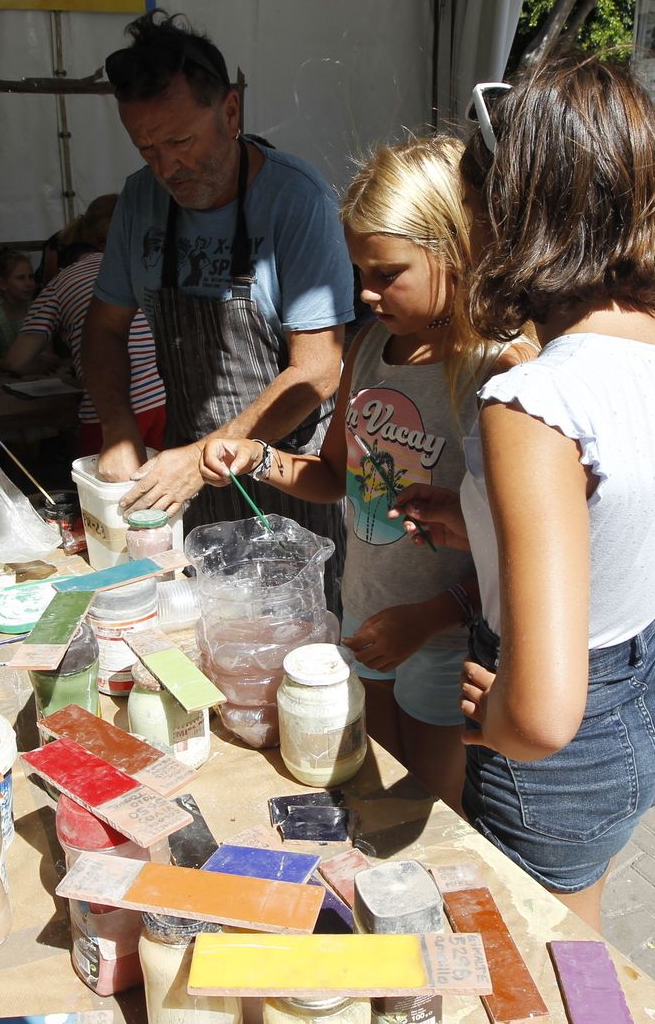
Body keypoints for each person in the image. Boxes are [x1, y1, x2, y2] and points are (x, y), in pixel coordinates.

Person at [397, 58, 655, 931]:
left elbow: (543, 718)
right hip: (652, 692)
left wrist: (501, 722)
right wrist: (480, 525)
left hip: (563, 749)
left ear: (508, 216)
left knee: (537, 960)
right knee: (580, 935)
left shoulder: (533, 400)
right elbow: (620, 520)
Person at [198, 136, 533, 813]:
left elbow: (521, 552)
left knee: (432, 805)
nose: (366, 292)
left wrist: (430, 617)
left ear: (456, 249)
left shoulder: (501, 369)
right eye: (359, 272)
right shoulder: (373, 344)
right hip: (368, 612)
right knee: (371, 787)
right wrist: (258, 456)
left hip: (445, 633)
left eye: (387, 273)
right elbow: (334, 476)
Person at [81, 10, 353, 603]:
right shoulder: (140, 199)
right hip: (184, 484)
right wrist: (118, 427)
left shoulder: (296, 200)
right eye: (146, 148)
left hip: (288, 479)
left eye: (180, 142)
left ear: (231, 112)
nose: (166, 167)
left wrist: (206, 456)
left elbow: (317, 370)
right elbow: (103, 328)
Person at [2, 196, 168, 456]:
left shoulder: (60, 283)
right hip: (163, 401)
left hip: (108, 415)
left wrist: (52, 365)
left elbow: (16, 361)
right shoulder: (146, 269)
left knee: (108, 483)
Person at [0, 247, 47, 373]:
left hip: (39, 376)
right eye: (21, 278)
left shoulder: (40, 310)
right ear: (2, 283)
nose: (29, 283)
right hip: (7, 378)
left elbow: (49, 353)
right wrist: (11, 365)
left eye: (31, 277)